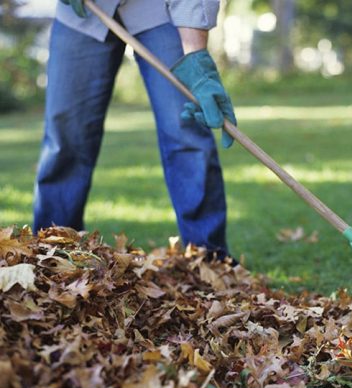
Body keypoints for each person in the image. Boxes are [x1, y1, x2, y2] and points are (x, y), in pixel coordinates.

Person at [33, 0, 237, 261]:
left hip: (159, 10)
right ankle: (51, 256)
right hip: (84, 12)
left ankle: (209, 258)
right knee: (65, 133)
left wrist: (195, 57)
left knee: (185, 129)